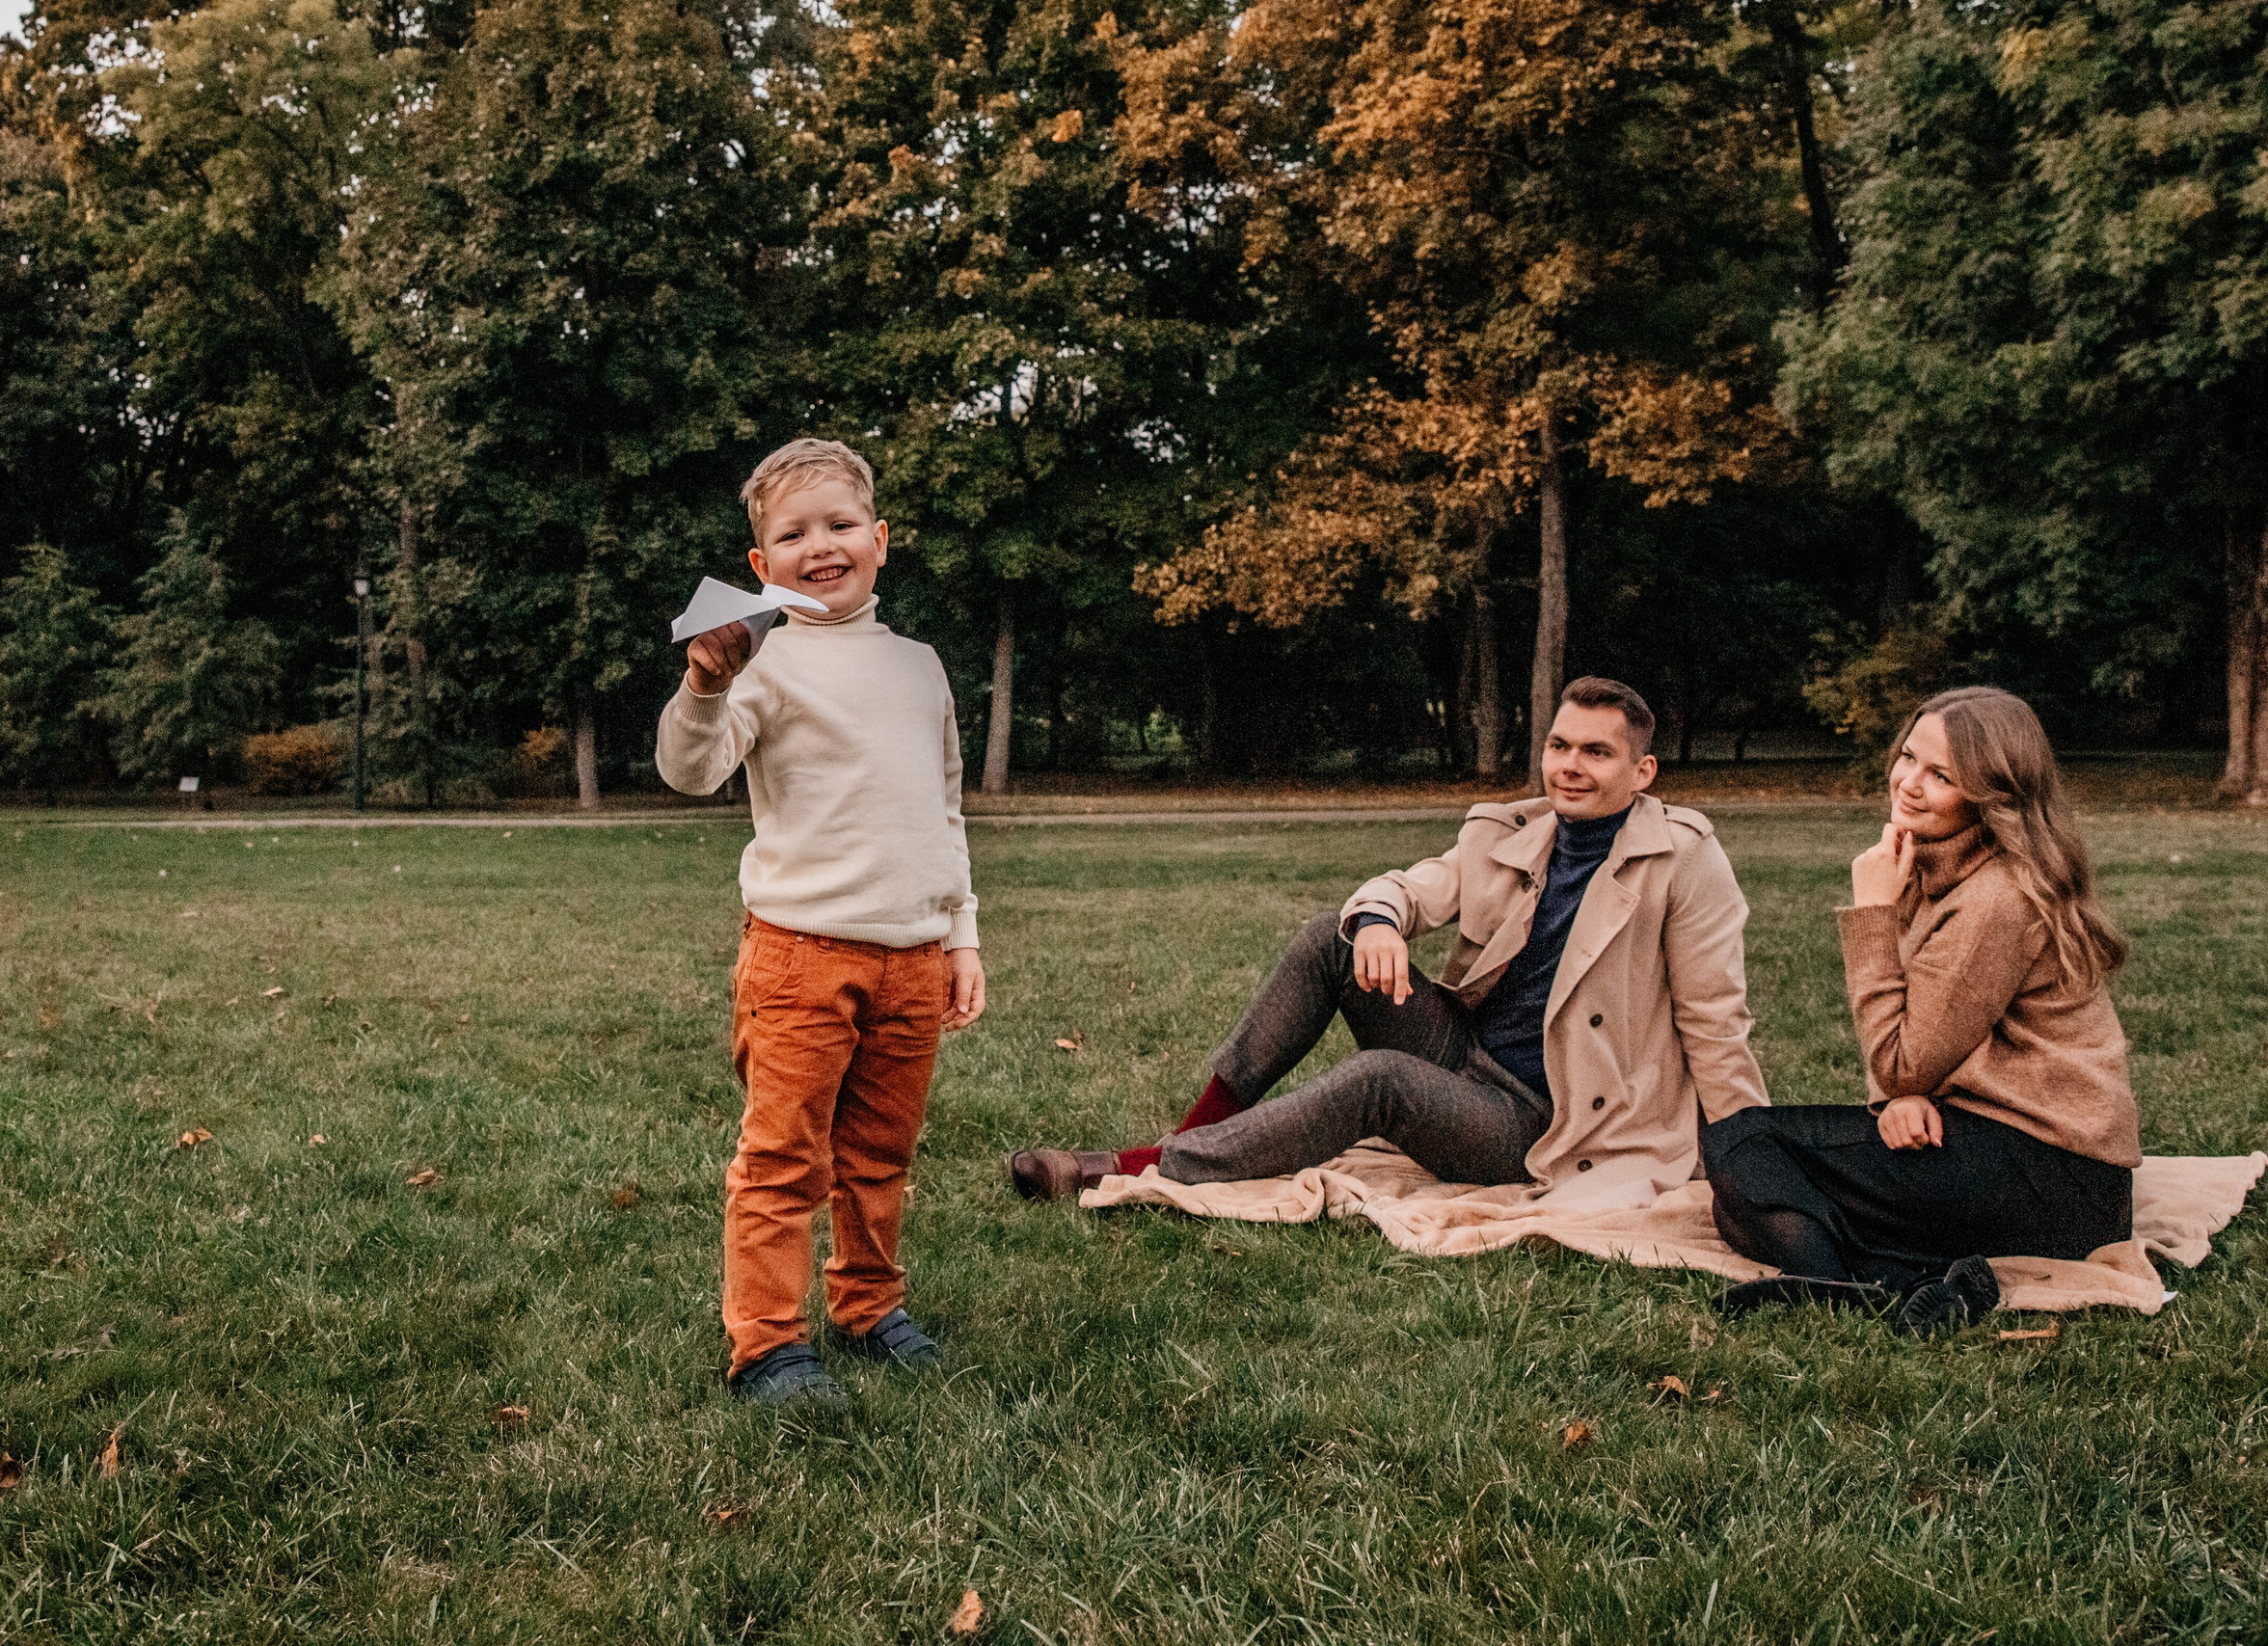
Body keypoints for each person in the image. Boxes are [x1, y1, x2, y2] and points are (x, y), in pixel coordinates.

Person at [1008, 677, 1769, 1205]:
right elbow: (1411, 886)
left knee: (1379, 1080)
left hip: (1543, 1122)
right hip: (1465, 1053)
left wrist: (1756, 1157)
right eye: (1560, 745)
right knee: (1330, 937)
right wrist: (1377, 920)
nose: (1570, 766)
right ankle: (1195, 1139)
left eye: (1596, 752)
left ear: (1643, 770)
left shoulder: (1683, 860)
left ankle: (1127, 1169)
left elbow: (1715, 1021)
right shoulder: (1512, 831)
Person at [657, 438, 987, 1407]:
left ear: (879, 540)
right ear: (761, 563)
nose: (821, 546)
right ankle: (766, 1343)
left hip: (912, 959)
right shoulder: (761, 662)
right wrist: (705, 685)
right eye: (794, 535)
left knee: (880, 1157)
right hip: (800, 958)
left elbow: (946, 807)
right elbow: (690, 770)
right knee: (783, 1159)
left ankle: (868, 1305)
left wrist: (961, 933)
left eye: (840, 525)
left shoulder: (920, 666)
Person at [1703, 686, 2140, 1336]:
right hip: (2015, 1157)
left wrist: (1874, 915)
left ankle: (1845, 1286)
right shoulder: (1938, 864)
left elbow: (1901, 1057)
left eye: (1942, 776)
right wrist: (1899, 1096)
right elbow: (1920, 1040)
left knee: (1743, 1146)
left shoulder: (1994, 899)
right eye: (1909, 757)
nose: (1909, 782)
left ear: (1991, 797)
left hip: (2052, 1175)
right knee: (1740, 1199)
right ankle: (1923, 1285)